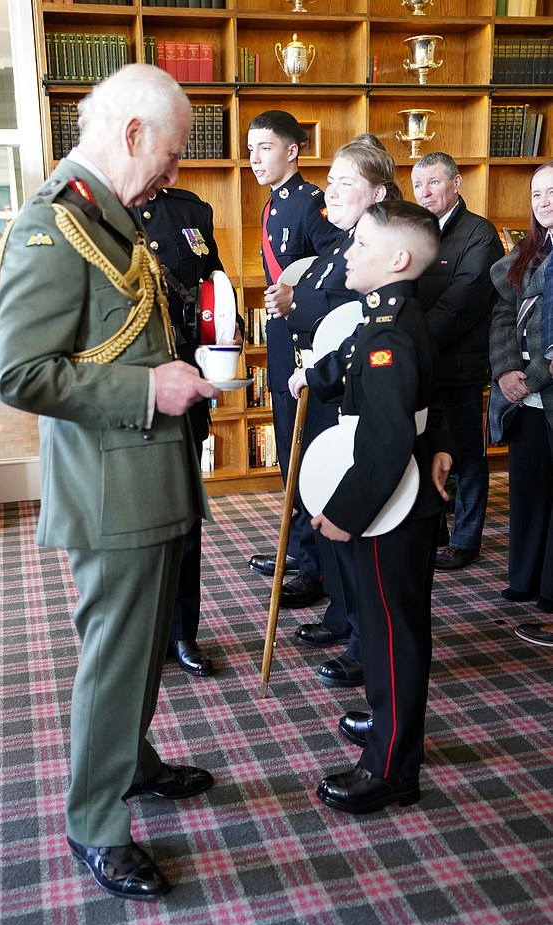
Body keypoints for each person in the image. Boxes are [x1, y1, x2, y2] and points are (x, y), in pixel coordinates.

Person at [0, 64, 220, 901]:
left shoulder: (112, 215)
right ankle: (95, 820)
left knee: (141, 650)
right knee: (114, 659)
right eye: (172, 149)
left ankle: (135, 759)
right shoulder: (52, 225)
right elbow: (16, 374)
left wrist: (173, 370)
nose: (174, 170)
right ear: (131, 134)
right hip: (109, 489)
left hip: (147, 476)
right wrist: (147, 389)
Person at [289, 200, 453, 813]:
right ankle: (391, 719)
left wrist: (343, 512)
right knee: (393, 630)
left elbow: (386, 439)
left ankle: (391, 769)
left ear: (398, 260)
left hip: (390, 503)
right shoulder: (389, 319)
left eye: (360, 246)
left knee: (391, 634)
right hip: (395, 491)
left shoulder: (390, 330)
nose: (347, 254)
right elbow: (408, 396)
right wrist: (315, 375)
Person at [286, 143, 398, 697]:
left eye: (344, 182)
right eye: (327, 180)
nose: (329, 191)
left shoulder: (384, 248)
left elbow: (366, 333)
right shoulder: (337, 247)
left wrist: (322, 372)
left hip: (350, 399)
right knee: (322, 509)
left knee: (354, 524)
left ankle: (361, 642)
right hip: (324, 397)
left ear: (378, 193)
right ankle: (340, 617)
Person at [137, 186, 242, 677]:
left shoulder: (190, 209)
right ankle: (142, 634)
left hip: (187, 382)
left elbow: (213, 283)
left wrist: (231, 324)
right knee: (134, 524)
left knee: (183, 520)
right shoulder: (93, 209)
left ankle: (182, 632)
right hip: (131, 388)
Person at [246, 110, 339, 609]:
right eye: (250, 147)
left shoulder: (311, 204)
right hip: (283, 346)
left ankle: (314, 567)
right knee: (289, 453)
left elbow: (339, 276)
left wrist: (297, 302)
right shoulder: (272, 205)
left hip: (311, 347)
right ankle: (299, 550)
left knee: (306, 455)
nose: (254, 157)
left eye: (263, 147)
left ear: (292, 151)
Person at [411, 152, 504, 570]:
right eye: (418, 185)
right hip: (423, 366)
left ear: (456, 183)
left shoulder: (479, 234)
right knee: (430, 448)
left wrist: (413, 339)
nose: (425, 192)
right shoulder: (415, 231)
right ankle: (437, 531)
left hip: (461, 366)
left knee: (467, 455)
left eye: (433, 182)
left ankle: (465, 539)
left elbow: (461, 303)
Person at [488, 160, 553, 631]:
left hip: (544, 389)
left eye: (552, 192)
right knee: (528, 489)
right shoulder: (527, 253)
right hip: (525, 395)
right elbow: (502, 315)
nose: (544, 202)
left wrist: (531, 376)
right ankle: (525, 577)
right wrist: (507, 370)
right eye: (536, 195)